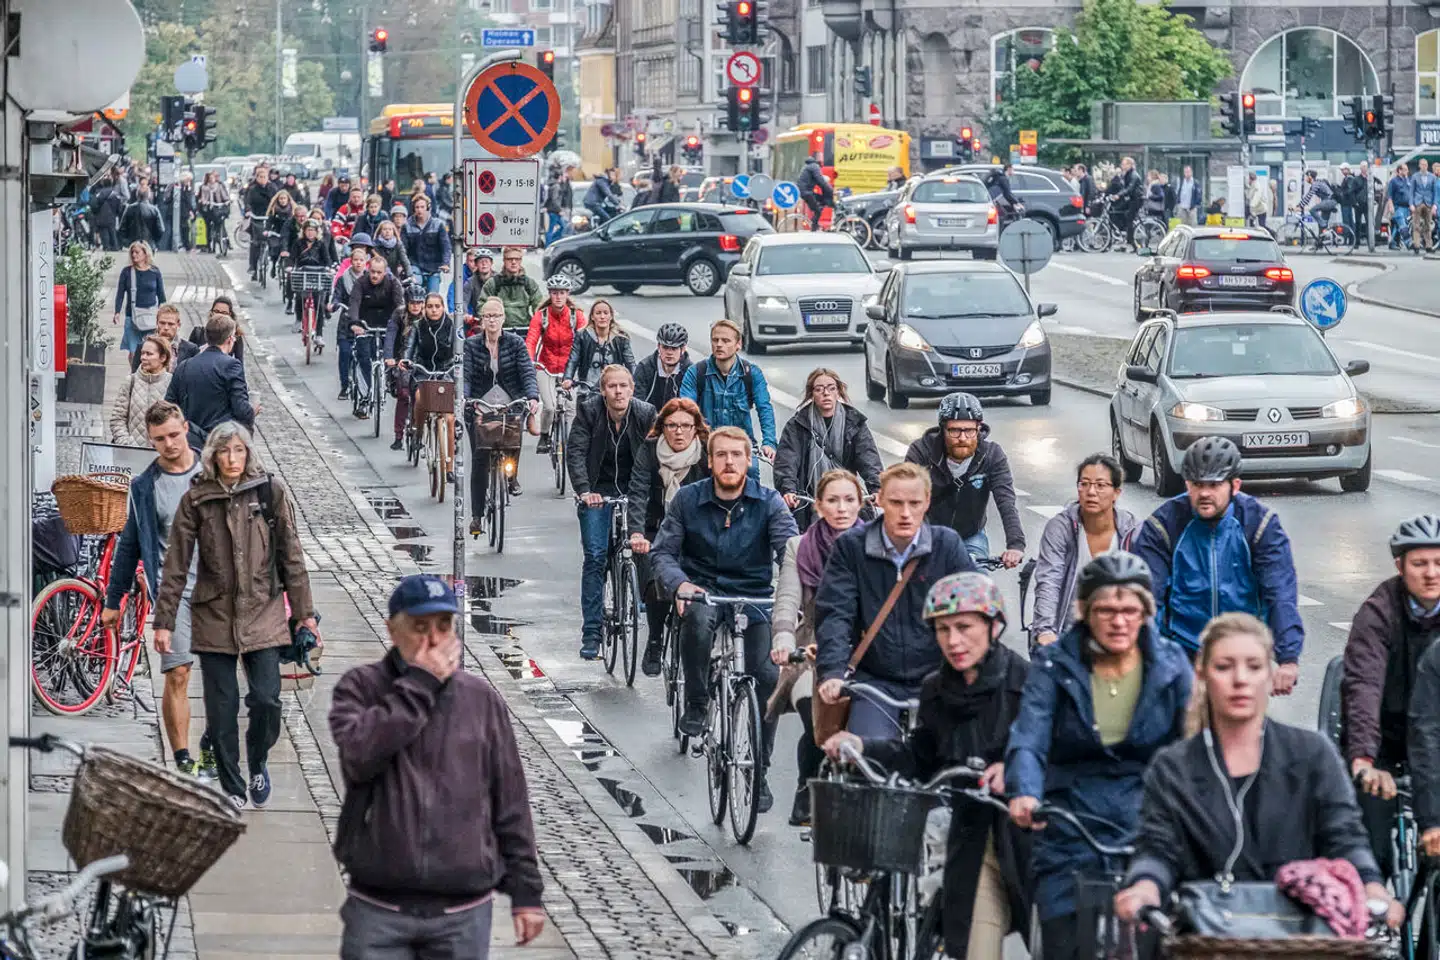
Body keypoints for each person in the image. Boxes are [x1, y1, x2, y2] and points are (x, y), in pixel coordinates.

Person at [1116, 613, 1402, 933]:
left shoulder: (1312, 755)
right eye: (1224, 667)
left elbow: (1344, 837)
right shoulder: (1173, 767)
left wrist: (1371, 886)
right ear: (1201, 675)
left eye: (1253, 666)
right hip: (1203, 932)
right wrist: (1145, 886)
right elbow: (1158, 847)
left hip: (1295, 932)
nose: (1240, 679)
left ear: (1269, 675)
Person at [329, 575, 545, 959]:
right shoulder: (361, 687)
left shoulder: (480, 701)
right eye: (419, 627)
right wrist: (419, 685)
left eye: (443, 627)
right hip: (380, 907)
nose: (433, 640)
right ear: (393, 631)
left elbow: (509, 800)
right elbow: (359, 757)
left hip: (461, 911)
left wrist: (526, 893)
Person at [824, 571, 1032, 958]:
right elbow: (920, 756)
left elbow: (1059, 753)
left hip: (1031, 845)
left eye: (965, 627)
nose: (954, 641)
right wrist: (862, 745)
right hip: (977, 845)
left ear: (993, 627)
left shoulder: (1026, 682)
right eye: (943, 629)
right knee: (975, 948)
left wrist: (1017, 772)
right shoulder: (937, 688)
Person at [1006, 553, 1192, 960]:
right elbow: (1029, 736)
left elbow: (1193, 748)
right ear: (1084, 611)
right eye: (1106, 610)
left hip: (1147, 822)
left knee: (1165, 935)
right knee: (1063, 938)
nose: (1119, 621)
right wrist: (1024, 791)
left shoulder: (1173, 665)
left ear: (1146, 612)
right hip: (1070, 823)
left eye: (1129, 610)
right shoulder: (1055, 665)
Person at [152, 421, 316, 810]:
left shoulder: (269, 491)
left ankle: (258, 760)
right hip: (214, 616)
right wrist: (164, 621)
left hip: (263, 611)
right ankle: (232, 784)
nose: (232, 459)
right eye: (224, 451)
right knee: (222, 709)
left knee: (266, 700)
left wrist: (305, 614)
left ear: (248, 453)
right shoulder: (197, 500)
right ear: (212, 456)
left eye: (239, 450)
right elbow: (175, 565)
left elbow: (291, 555)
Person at [652, 426, 797, 810]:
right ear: (710, 460)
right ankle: (697, 702)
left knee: (767, 677)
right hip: (704, 590)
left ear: (749, 461)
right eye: (721, 455)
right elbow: (662, 552)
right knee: (697, 622)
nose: (729, 462)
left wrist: (794, 596)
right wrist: (680, 584)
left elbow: (791, 553)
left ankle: (759, 771)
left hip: (754, 597)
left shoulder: (769, 503)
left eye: (737, 455)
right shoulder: (686, 500)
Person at [813, 462, 974, 740]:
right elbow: (835, 613)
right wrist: (833, 671)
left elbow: (974, 608)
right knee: (869, 758)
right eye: (896, 503)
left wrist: (977, 667)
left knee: (956, 761)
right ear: (879, 501)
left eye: (914, 503)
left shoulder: (947, 545)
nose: (906, 513)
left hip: (937, 677)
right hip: (876, 680)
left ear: (927, 503)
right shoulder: (852, 547)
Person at [1133, 436, 1303, 691]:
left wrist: (1288, 659)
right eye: (1197, 484)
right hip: (1183, 655)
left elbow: (1279, 593)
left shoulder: (1260, 524)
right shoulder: (1163, 526)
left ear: (1235, 485)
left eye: (1213, 485)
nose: (1204, 493)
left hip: (1242, 653)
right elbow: (1147, 599)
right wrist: (1146, 656)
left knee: (1243, 725)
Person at [102, 402, 214, 780]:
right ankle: (182, 758)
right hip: (174, 591)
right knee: (178, 672)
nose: (168, 444)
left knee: (222, 676)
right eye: (159, 439)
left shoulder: (215, 472)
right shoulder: (144, 487)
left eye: (173, 435)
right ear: (150, 441)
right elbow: (129, 544)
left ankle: (212, 746)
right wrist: (113, 600)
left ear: (185, 427)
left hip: (221, 589)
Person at [1343, 514, 1440, 873]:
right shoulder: (1377, 613)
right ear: (1400, 566)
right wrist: (1364, 760)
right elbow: (1365, 686)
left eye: (1439, 563)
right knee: (1371, 849)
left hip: (1435, 738)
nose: (1431, 573)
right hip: (1383, 736)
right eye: (1420, 564)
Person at [772, 469, 866, 825]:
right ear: (818, 507)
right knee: (818, 710)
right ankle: (806, 786)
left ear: (861, 504)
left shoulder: (873, 544)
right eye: (833, 500)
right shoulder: (799, 547)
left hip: (861, 650)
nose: (842, 508)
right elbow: (787, 600)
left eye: (849, 500)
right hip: (809, 649)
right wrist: (783, 639)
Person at [568, 365, 657, 659]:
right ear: (603, 390)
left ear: (632, 389)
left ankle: (642, 597)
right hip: (597, 490)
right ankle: (592, 632)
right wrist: (584, 491)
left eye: (624, 386)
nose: (618, 392)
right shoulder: (589, 411)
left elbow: (656, 456)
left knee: (643, 545)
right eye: (612, 387)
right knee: (595, 557)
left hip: (635, 489)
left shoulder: (645, 414)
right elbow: (576, 452)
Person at [627, 397, 710, 675]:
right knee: (655, 579)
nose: (678, 432)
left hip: (695, 531)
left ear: (696, 429)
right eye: (671, 425)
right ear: (662, 428)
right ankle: (654, 638)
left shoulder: (706, 454)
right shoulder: (650, 451)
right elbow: (637, 492)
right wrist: (637, 532)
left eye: (686, 426)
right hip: (655, 528)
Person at [1031, 454, 1141, 647]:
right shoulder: (1060, 528)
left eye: (1100, 485)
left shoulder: (1132, 530)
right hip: (1070, 633)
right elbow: (1049, 581)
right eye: (1084, 484)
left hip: (1119, 633)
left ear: (1116, 492)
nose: (1091, 492)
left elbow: (1147, 586)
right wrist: (1045, 630)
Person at [904, 392, 1024, 566]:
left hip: (970, 536)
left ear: (979, 428)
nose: (962, 438)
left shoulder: (992, 455)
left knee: (977, 584)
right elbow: (906, 497)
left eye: (969, 430)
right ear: (942, 429)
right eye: (954, 430)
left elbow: (1006, 501)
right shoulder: (921, 451)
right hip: (927, 535)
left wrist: (1015, 545)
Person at [774, 368, 882, 532]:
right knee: (794, 542)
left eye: (831, 388)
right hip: (809, 500)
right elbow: (787, 461)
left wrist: (877, 488)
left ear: (839, 391)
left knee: (867, 539)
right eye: (819, 389)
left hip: (847, 495)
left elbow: (868, 458)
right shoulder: (797, 425)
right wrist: (788, 490)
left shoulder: (854, 422)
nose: (826, 393)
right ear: (811, 394)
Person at [464, 297, 539, 526]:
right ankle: (477, 516)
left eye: (496, 315)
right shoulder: (471, 345)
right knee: (480, 458)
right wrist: (467, 399)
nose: (492, 320)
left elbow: (527, 372)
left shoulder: (515, 343)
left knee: (514, 439)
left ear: (504, 318)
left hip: (510, 400)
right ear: (481, 320)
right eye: (487, 316)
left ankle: (512, 477)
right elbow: (465, 374)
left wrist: (532, 397)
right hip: (481, 403)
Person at [680, 318, 778, 479]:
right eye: (715, 340)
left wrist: (769, 443)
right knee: (694, 486)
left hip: (742, 444)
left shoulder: (751, 373)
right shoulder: (696, 373)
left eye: (725, 340)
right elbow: (686, 410)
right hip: (707, 446)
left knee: (751, 476)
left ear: (738, 344)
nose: (719, 344)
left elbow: (764, 408)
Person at [165, 314, 256, 449]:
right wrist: (252, 410)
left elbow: (169, 405)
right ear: (230, 339)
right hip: (220, 442)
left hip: (190, 441)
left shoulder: (185, 365)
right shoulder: (231, 365)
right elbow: (241, 408)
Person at [525, 276, 586, 454]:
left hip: (569, 369)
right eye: (554, 293)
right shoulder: (541, 316)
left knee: (571, 409)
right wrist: (530, 361)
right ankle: (544, 436)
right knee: (550, 407)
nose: (558, 297)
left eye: (562, 293)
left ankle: (572, 442)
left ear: (568, 294)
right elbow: (531, 340)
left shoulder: (577, 316)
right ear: (550, 294)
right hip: (546, 366)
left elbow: (586, 339)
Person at [395, 292, 456, 457]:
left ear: (443, 308)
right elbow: (410, 346)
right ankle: (418, 432)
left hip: (445, 370)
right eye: (430, 306)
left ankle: (450, 467)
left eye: (437, 306)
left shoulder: (451, 325)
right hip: (423, 370)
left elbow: (459, 347)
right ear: (425, 308)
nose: (434, 310)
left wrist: (459, 361)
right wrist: (406, 360)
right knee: (420, 397)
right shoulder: (418, 326)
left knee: (450, 416)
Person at [346, 254, 405, 418]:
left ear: (385, 272)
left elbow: (400, 306)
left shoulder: (393, 283)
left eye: (379, 272)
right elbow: (354, 303)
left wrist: (401, 323)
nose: (375, 276)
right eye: (372, 271)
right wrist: (355, 323)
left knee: (394, 352)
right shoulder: (361, 283)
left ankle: (391, 380)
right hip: (365, 325)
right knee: (363, 357)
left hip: (388, 323)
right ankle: (364, 397)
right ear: (368, 269)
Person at [109, 335, 172, 446]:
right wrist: (126, 442)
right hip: (131, 454)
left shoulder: (172, 382)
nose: (143, 357)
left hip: (161, 455)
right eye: (142, 353)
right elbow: (117, 419)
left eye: (149, 354)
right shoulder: (130, 381)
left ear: (163, 357)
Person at [332, 234, 373, 398]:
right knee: (345, 353)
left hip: (363, 322)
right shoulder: (343, 279)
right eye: (355, 260)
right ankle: (345, 386)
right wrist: (334, 304)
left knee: (365, 356)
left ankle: (367, 389)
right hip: (346, 322)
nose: (358, 263)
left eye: (361, 260)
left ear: (365, 263)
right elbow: (337, 295)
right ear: (351, 261)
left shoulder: (370, 279)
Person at [113, 240, 166, 364]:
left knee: (150, 351)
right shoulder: (127, 272)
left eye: (137, 252)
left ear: (145, 253)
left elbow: (161, 296)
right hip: (132, 317)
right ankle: (134, 373)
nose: (134, 255)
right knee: (134, 352)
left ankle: (147, 373)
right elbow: (120, 294)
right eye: (132, 252)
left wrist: (162, 315)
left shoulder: (155, 271)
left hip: (151, 317)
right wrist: (117, 312)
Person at [564, 298, 634, 388]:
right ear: (592, 317)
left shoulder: (621, 338)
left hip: (614, 390)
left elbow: (630, 363)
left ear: (611, 316)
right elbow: (573, 360)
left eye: (605, 313)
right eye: (598, 313)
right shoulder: (582, 335)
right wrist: (568, 378)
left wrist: (634, 381)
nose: (602, 317)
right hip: (588, 390)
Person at [483, 246, 545, 330]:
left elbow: (539, 307)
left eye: (517, 259)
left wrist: (541, 323)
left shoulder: (529, 283)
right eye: (510, 259)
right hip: (499, 330)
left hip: (524, 328)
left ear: (521, 261)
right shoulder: (493, 283)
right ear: (504, 260)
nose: (513, 262)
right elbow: (482, 305)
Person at [634, 322, 691, 410]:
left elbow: (693, 406)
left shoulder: (690, 372)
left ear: (683, 349)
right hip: (649, 419)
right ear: (658, 346)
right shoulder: (644, 367)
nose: (669, 352)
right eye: (665, 347)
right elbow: (637, 402)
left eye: (674, 348)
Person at [403, 194, 451, 294]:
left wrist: (445, 263)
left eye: (422, 207)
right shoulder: (407, 225)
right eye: (417, 207)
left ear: (428, 208)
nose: (419, 210)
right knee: (415, 291)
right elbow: (403, 248)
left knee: (433, 295)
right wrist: (402, 265)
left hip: (433, 267)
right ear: (413, 209)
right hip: (415, 265)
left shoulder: (438, 224)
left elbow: (446, 247)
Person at [242, 165, 278, 279]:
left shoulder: (272, 188)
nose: (263, 179)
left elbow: (277, 201)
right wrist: (248, 211)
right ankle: (253, 267)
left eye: (265, 177)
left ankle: (274, 263)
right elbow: (247, 202)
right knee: (255, 243)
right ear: (257, 177)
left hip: (269, 217)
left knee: (274, 239)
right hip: (256, 216)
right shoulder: (252, 189)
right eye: (260, 177)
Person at [1294, 170, 1338, 246]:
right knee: (1321, 225)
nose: (1305, 179)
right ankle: (1319, 244)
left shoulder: (1316, 184)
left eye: (1306, 177)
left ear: (1310, 177)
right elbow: (1307, 197)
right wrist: (1299, 205)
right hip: (1329, 202)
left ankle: (1323, 224)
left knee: (1312, 210)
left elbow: (1308, 197)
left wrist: (1300, 206)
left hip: (1329, 201)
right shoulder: (1316, 184)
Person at [796, 152, 834, 231]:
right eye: (821, 157)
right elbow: (820, 181)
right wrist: (830, 190)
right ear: (817, 159)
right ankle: (814, 228)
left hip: (805, 192)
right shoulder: (814, 166)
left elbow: (819, 181)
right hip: (806, 192)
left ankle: (815, 223)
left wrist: (827, 189)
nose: (822, 160)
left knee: (821, 201)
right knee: (818, 210)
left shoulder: (810, 166)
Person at [463, 247, 496, 321]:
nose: (484, 264)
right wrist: (465, 314)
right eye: (480, 261)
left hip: (497, 317)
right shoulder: (470, 282)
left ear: (491, 263)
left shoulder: (498, 279)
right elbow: (464, 300)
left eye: (486, 261)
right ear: (476, 264)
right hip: (479, 319)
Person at [1412, 159, 1437, 254]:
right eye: (1422, 164)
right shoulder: (1415, 176)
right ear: (1419, 165)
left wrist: (1435, 204)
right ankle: (1417, 245)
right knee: (1416, 225)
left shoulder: (1432, 177)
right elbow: (1412, 191)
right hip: (1418, 203)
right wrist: (1411, 204)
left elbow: (1435, 192)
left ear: (1427, 166)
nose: (1424, 166)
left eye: (1425, 164)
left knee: (1428, 225)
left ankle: (1428, 246)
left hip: (1428, 203)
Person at [1387, 162, 1414, 249]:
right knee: (1402, 224)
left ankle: (1392, 243)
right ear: (1399, 170)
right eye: (1405, 169)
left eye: (1407, 169)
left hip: (1406, 208)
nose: (1407, 171)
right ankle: (1409, 242)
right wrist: (1391, 206)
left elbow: (1410, 194)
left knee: (1398, 227)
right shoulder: (1393, 181)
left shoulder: (1408, 181)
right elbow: (1389, 195)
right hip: (1397, 207)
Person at [543, 168, 571, 246]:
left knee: (563, 226)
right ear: (560, 177)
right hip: (554, 211)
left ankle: (553, 242)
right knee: (551, 229)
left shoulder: (553, 185)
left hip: (553, 210)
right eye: (563, 177)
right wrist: (559, 210)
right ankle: (548, 245)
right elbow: (554, 200)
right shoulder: (556, 186)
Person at [1339, 163, 1365, 238]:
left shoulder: (1349, 178)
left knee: (1347, 221)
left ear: (1347, 169)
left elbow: (1350, 190)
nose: (1342, 171)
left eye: (1343, 169)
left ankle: (1348, 238)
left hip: (1346, 203)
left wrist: (1342, 193)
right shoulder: (1349, 178)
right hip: (1347, 203)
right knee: (1349, 220)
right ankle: (1351, 238)